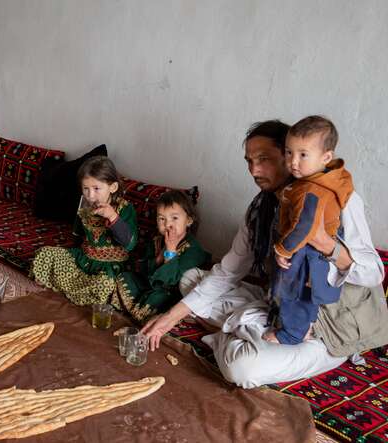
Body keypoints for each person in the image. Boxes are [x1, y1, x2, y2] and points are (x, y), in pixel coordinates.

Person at [141, 120, 388, 388]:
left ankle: (227, 336)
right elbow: (228, 271)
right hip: (281, 303)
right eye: (249, 161)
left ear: (286, 156)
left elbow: (373, 273)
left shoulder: (338, 200)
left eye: (264, 159)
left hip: (330, 327)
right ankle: (245, 330)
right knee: (190, 279)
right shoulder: (261, 208)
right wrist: (169, 319)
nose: (254, 170)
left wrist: (327, 245)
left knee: (243, 369)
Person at [265, 116, 353, 345]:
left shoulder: (310, 189)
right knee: (304, 294)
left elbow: (305, 226)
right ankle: (303, 325)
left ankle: (292, 334)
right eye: (289, 152)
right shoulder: (321, 180)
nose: (293, 161)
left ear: (326, 157)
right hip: (314, 251)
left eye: (303, 154)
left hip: (307, 251)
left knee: (293, 292)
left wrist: (283, 249)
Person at [31, 156, 138, 305]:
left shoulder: (125, 209)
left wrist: (113, 217)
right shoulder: (85, 205)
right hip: (84, 258)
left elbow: (130, 243)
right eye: (85, 189)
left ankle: (70, 287)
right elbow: (77, 236)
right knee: (46, 253)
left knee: (105, 285)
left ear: (112, 187)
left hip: (109, 268)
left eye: (96, 189)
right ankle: (72, 286)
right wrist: (68, 257)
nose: (90, 195)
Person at [113, 190, 209, 322]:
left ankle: (145, 313)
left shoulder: (194, 250)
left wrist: (170, 250)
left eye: (174, 218)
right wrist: (157, 259)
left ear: (189, 220)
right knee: (125, 277)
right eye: (162, 219)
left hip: (171, 292)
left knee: (159, 299)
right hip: (149, 284)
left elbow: (173, 281)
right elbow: (144, 269)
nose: (167, 224)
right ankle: (136, 309)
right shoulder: (156, 241)